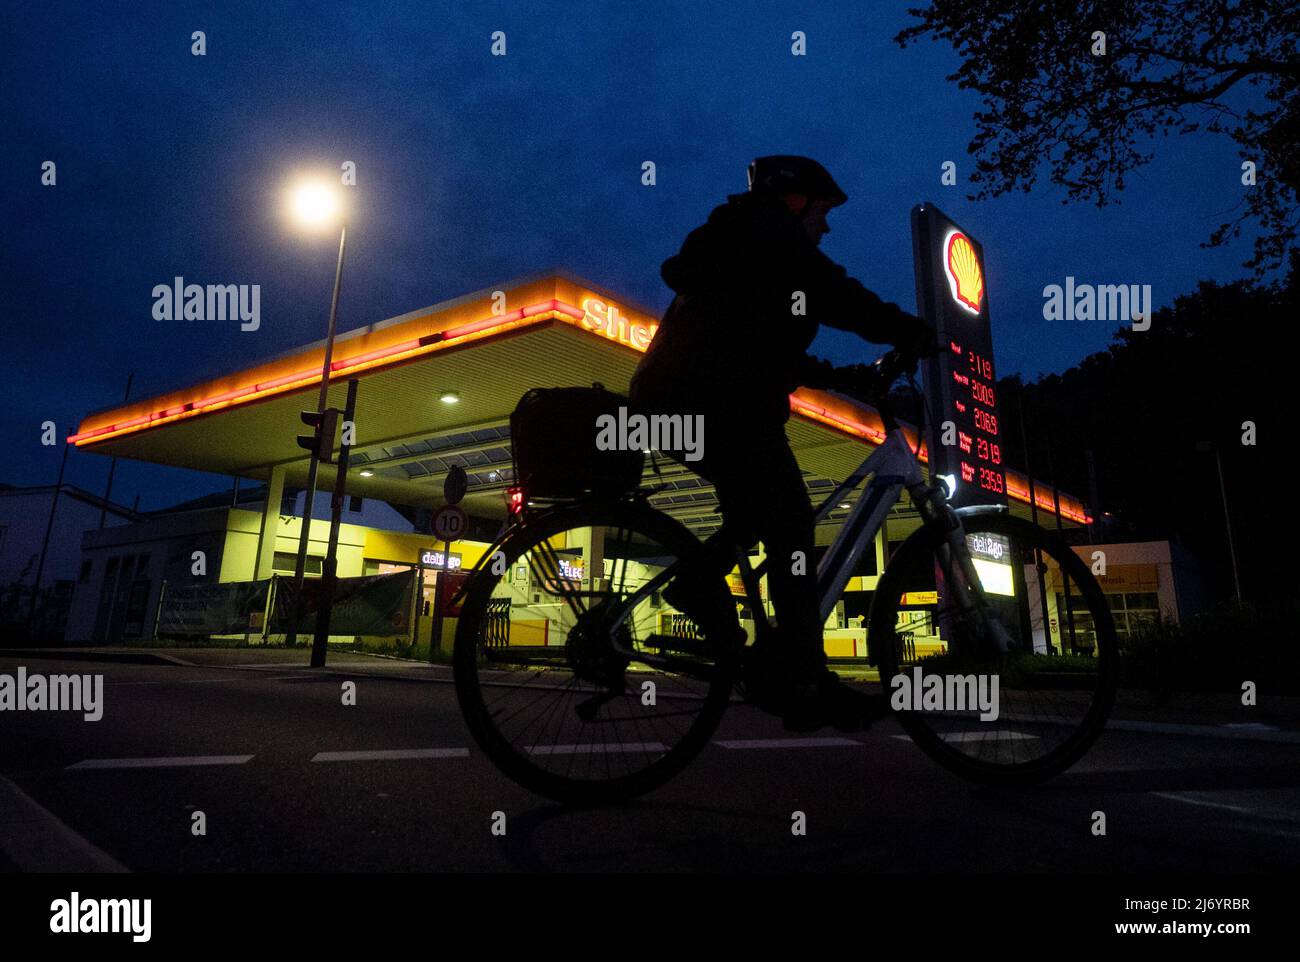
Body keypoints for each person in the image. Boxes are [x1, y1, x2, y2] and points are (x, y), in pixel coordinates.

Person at [629, 155, 936, 732]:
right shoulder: (766, 236)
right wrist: (909, 329)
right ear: (793, 203)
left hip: (691, 399)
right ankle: (801, 675)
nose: (827, 227)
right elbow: (833, 292)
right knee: (791, 517)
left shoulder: (749, 250)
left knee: (755, 514)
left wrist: (842, 378)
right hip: (707, 402)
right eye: (822, 212)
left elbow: (763, 348)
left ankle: (701, 589)